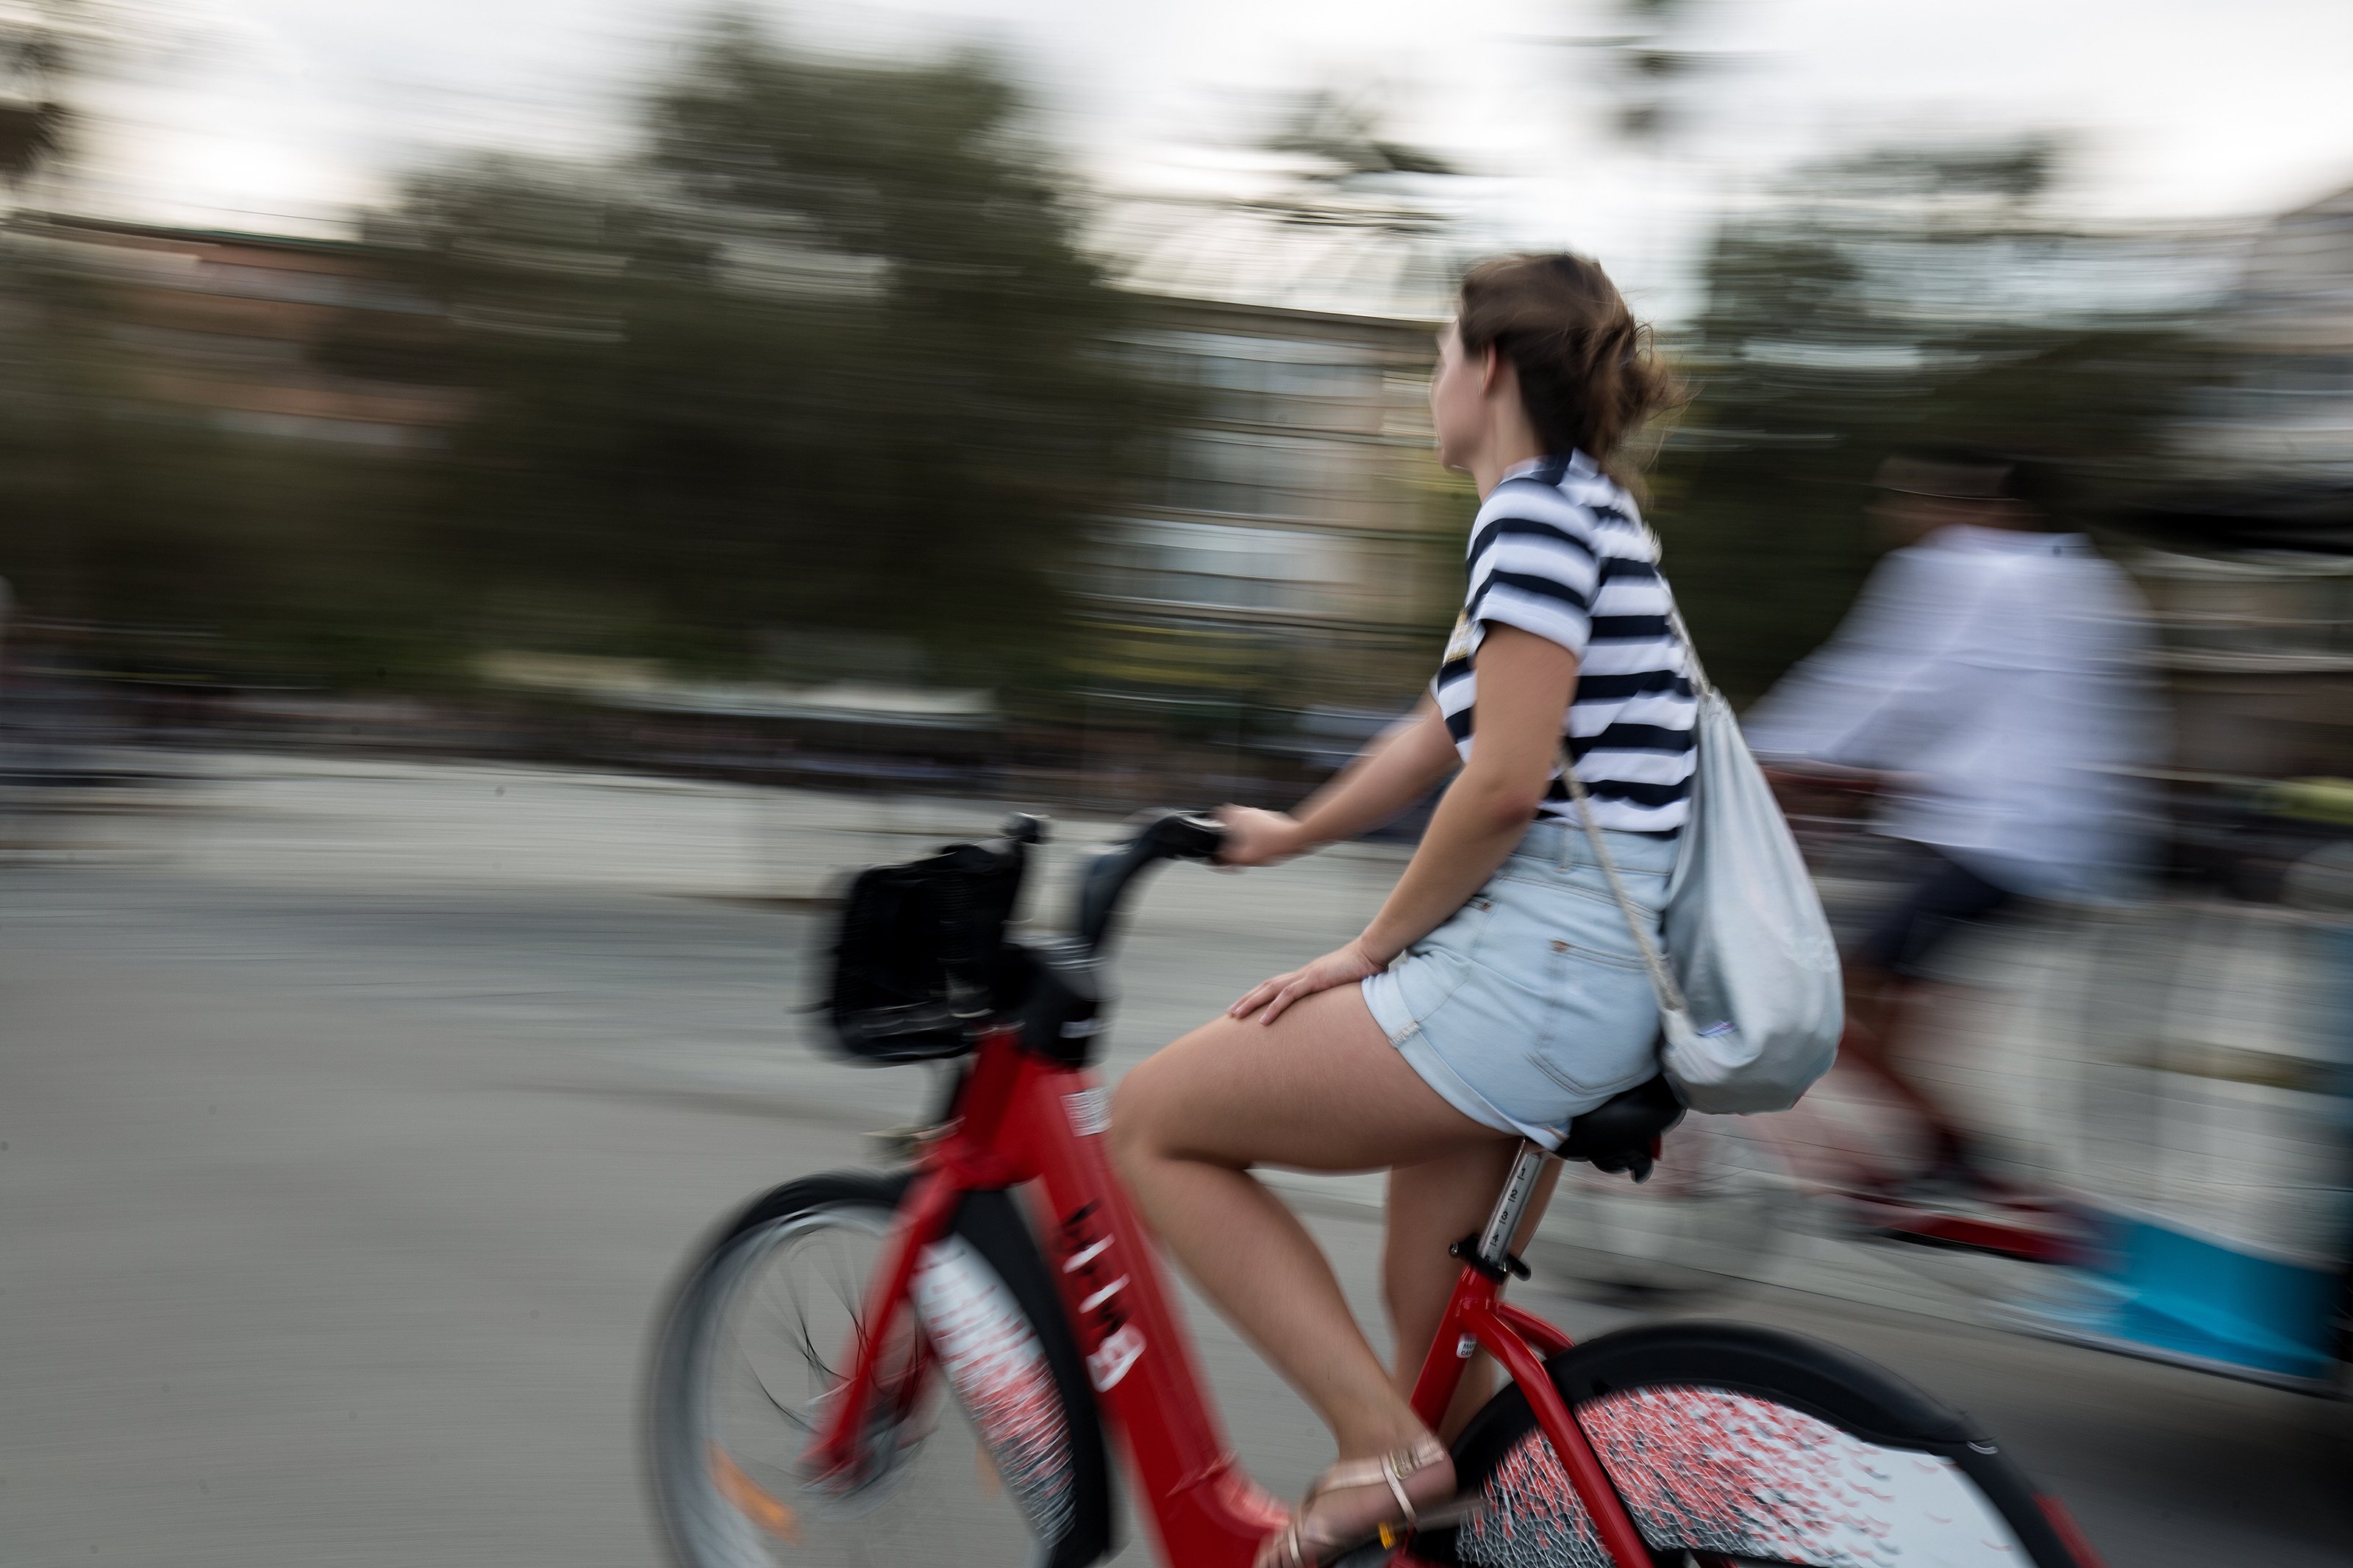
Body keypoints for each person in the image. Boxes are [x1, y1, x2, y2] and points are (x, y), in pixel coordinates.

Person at [1109, 254, 1690, 1568]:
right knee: (1430, 1324)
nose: (1431, 383)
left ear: (1487, 368)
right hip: (1578, 975)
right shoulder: (1589, 510)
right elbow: (1444, 720)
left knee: (1152, 1119)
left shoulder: (1534, 517)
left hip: (1535, 973)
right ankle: (1465, 1507)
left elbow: (1499, 786)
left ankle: (1381, 1452)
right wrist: (1300, 830)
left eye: (1438, 356)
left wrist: (1366, 949)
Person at [1744, 446, 2162, 1195]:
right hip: (2047, 837)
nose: (1897, 514)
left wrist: (1754, 756)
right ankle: (1931, 1153)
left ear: (1976, 507)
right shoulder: (2084, 578)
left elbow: (1885, 680)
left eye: (1911, 497)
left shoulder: (1971, 565)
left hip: (1997, 834)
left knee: (1838, 1000)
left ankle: (1959, 1153)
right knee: (1892, 1002)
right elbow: (1986, 704)